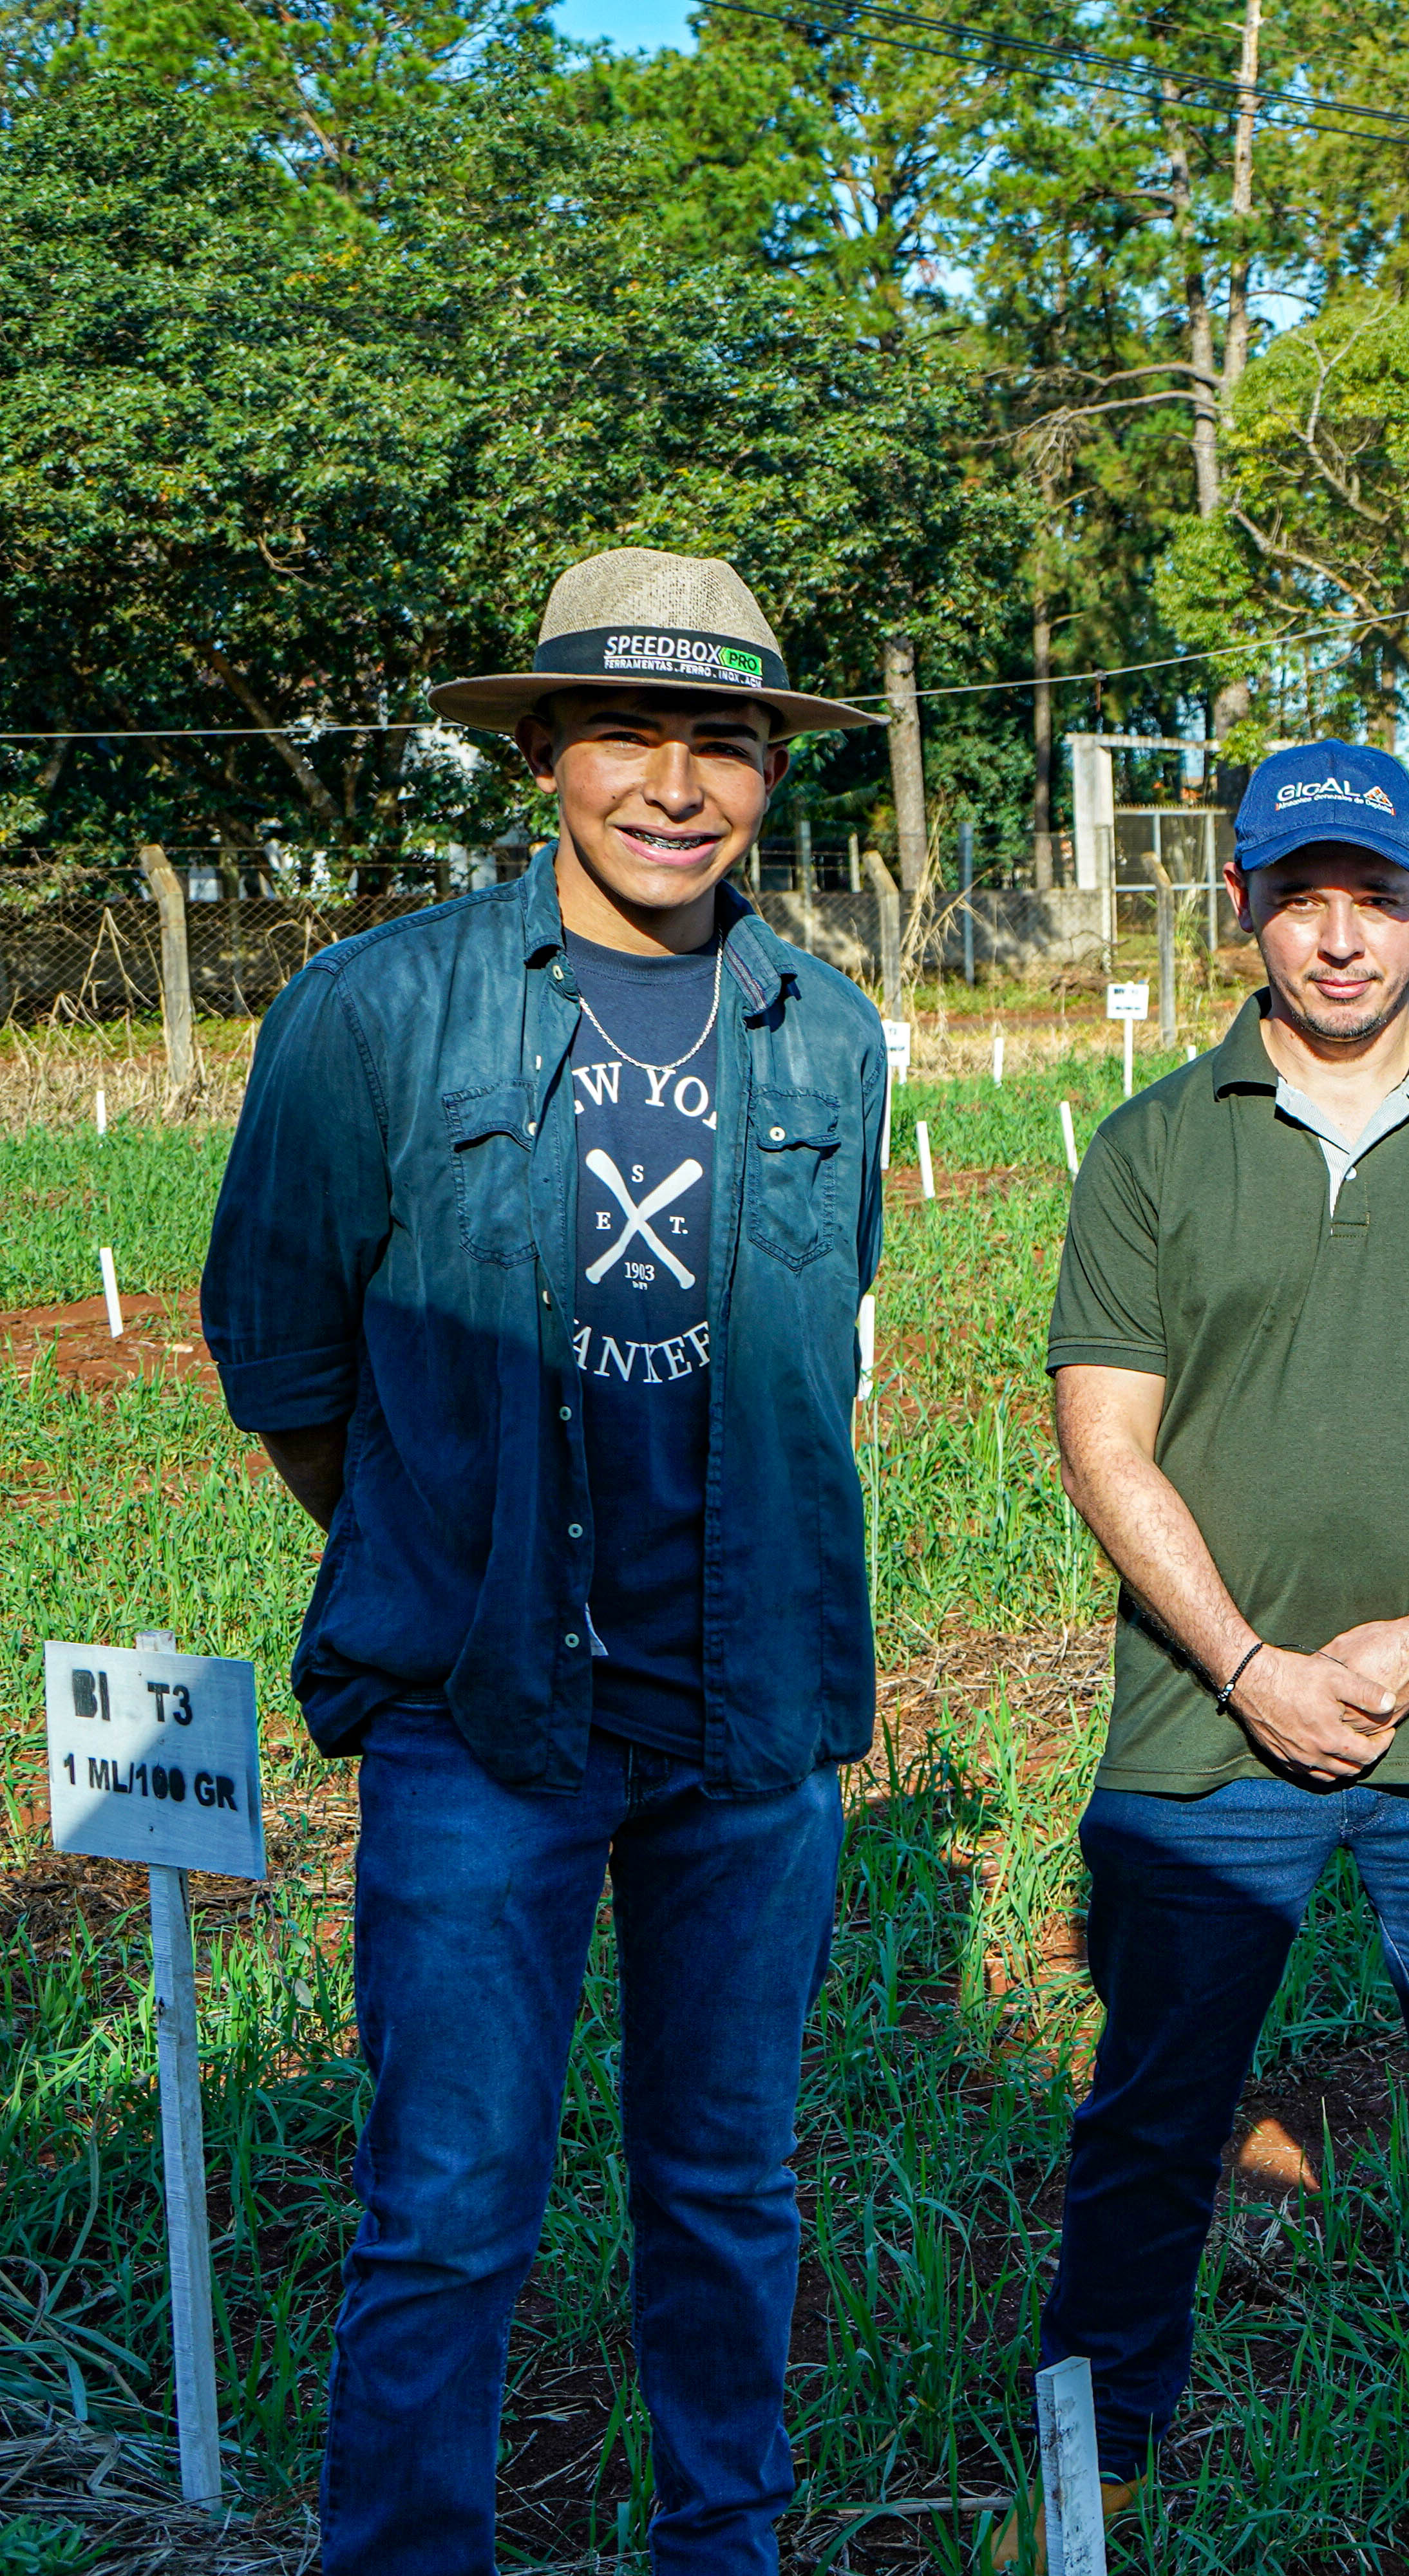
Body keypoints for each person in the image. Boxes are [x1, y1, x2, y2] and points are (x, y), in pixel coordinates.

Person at [202, 549, 891, 2573]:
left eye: (727, 740)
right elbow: (289, 1364)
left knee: (728, 2185)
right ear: (542, 755)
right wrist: (461, 1554)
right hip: (477, 1724)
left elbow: (811, 1338)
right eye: (627, 732)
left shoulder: (827, 1031)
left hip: (747, 1719)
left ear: (773, 771)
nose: (676, 783)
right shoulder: (378, 1012)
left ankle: (722, 2544)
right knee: (447, 2201)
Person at [1016, 741, 1409, 2575]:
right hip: (1208, 1733)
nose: (1341, 937)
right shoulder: (1154, 1150)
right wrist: (1258, 1667)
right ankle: (1100, 2443)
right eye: (1301, 897)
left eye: (1376, 894)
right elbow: (1104, 1438)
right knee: (1156, 2099)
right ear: (1242, 909)